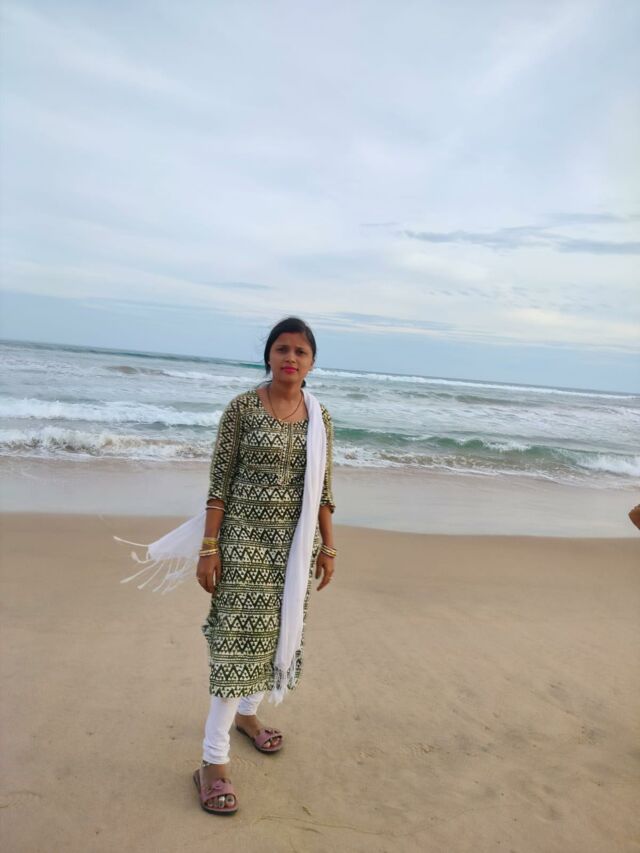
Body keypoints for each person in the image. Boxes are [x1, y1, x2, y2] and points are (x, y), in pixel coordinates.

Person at [193, 316, 337, 815]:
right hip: (242, 542)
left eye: (300, 351)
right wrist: (209, 547)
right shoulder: (241, 409)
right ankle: (212, 761)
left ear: (311, 363)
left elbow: (324, 490)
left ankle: (248, 715)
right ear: (268, 356)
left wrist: (329, 547)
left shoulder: (320, 418)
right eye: (282, 349)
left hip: (292, 550)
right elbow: (219, 483)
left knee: (276, 633)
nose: (290, 358)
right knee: (236, 642)